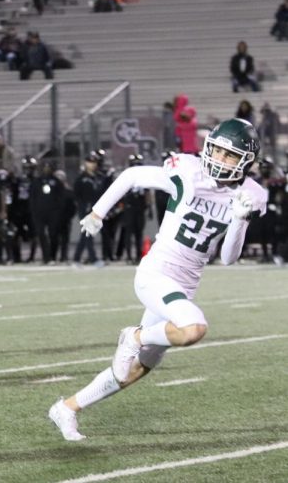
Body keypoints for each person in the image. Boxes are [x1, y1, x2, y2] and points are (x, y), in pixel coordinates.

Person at [49, 118, 267, 441]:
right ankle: (134, 336)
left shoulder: (252, 194)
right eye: (217, 151)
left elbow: (228, 258)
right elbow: (133, 175)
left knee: (137, 369)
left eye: (229, 156)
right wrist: (98, 212)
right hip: (157, 272)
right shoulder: (188, 170)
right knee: (194, 328)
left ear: (245, 162)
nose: (219, 160)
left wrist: (238, 219)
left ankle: (67, 408)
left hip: (186, 283)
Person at [72, 152, 105, 266]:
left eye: (94, 162)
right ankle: (93, 259)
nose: (92, 164)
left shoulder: (99, 177)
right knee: (88, 232)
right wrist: (82, 206)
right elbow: (76, 194)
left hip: (96, 209)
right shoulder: (81, 178)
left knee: (86, 233)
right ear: (86, 163)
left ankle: (76, 259)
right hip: (84, 208)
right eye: (90, 162)